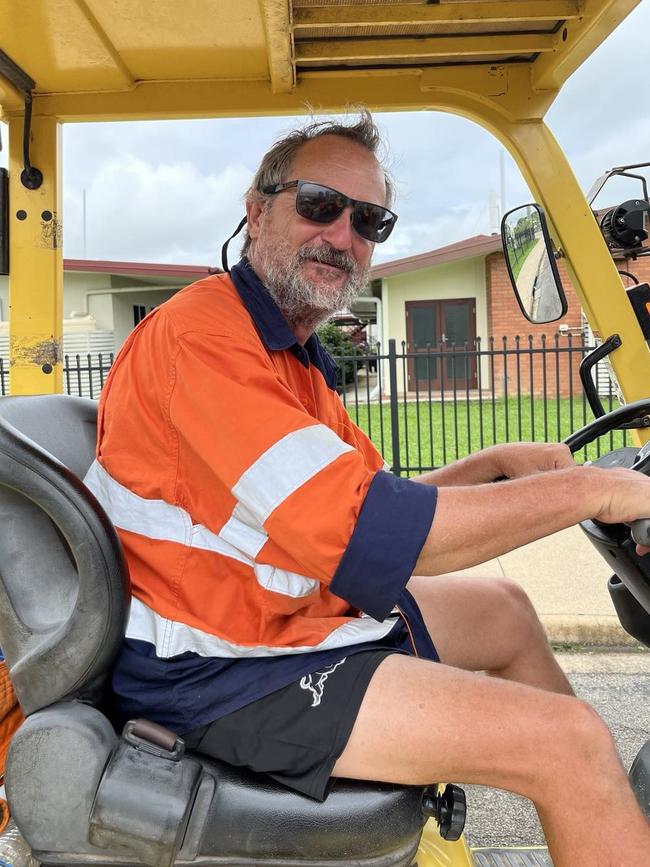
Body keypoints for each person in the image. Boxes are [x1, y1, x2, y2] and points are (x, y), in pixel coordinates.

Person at [86, 110, 650, 867]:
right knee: (569, 742)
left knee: (506, 610)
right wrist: (593, 492)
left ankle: (598, 818)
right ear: (257, 212)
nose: (343, 234)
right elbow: (369, 532)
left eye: (369, 219)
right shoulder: (202, 341)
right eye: (320, 204)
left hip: (281, 619)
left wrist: (491, 464)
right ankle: (587, 791)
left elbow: (373, 501)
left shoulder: (285, 351)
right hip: (223, 670)